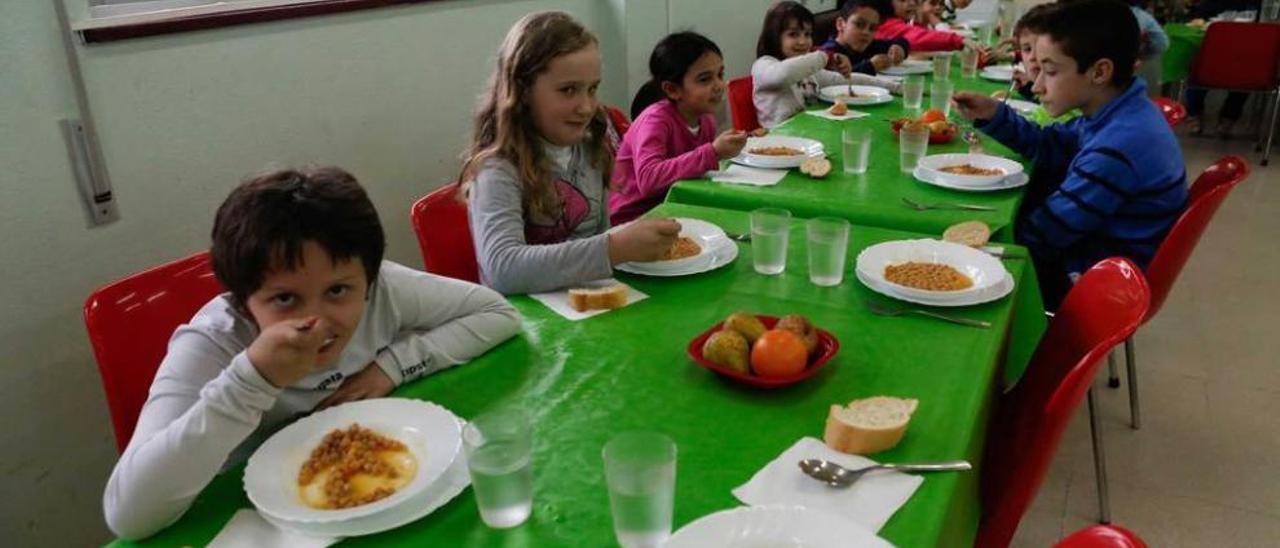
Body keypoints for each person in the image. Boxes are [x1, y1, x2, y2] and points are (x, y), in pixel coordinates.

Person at [103, 167, 522, 539]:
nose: (316, 322)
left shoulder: (384, 291)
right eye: (285, 298)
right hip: (261, 521)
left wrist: (391, 367)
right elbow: (128, 515)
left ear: (368, 280)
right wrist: (252, 379)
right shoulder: (214, 340)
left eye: (338, 291)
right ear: (243, 300)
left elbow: (497, 312)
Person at [952, 0, 1187, 309]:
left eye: (1050, 71)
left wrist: (973, 242)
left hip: (1092, 279)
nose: (1036, 85)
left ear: (1099, 71)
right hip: (1096, 252)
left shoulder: (1117, 147)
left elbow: (1042, 238)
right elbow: (1050, 144)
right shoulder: (1118, 112)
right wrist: (994, 114)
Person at [464, 12, 681, 294]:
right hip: (529, 324)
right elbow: (502, 269)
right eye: (568, 90)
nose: (586, 107)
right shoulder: (498, 169)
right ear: (523, 91)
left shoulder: (590, 147)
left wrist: (620, 245)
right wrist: (613, 248)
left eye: (592, 89)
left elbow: (599, 235)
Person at [610, 32, 747, 225]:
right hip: (632, 220)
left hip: (674, 208)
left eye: (720, 74)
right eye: (704, 79)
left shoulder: (706, 120)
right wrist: (713, 152)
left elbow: (694, 171)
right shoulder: (655, 121)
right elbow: (649, 180)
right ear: (673, 90)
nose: (719, 85)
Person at [752, 1, 899, 128]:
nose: (803, 42)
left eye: (807, 34)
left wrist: (894, 87)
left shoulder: (810, 72)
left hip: (810, 137)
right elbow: (782, 75)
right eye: (793, 34)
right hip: (779, 144)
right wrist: (825, 57)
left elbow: (844, 79)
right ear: (774, 36)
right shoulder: (763, 65)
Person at [819, 0, 911, 77]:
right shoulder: (828, 53)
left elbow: (902, 41)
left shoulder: (870, 46)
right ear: (840, 24)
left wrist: (899, 48)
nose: (866, 32)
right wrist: (870, 67)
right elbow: (833, 79)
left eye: (872, 28)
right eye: (859, 24)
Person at [868, 0, 985, 52]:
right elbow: (914, 36)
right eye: (902, 0)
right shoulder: (885, 23)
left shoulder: (904, 22)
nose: (911, 3)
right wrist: (958, 40)